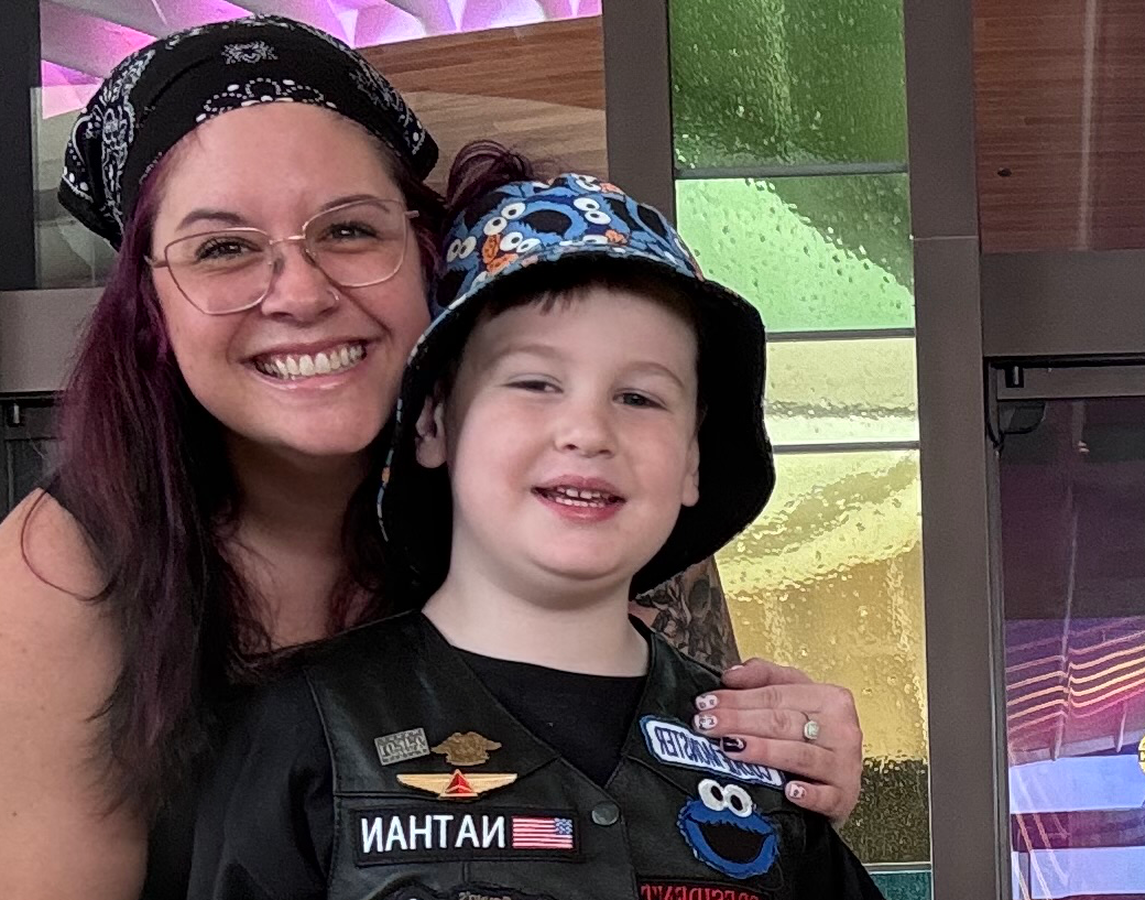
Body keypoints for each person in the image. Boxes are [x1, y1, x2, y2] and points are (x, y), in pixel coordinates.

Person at [0, 16, 864, 900]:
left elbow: (687, 771)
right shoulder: (63, 573)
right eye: (223, 248)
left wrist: (793, 753)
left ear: (423, 252)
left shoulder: (572, 495)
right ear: (149, 304)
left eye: (348, 230)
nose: (300, 293)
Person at [185, 148, 883, 900]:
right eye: (535, 382)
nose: (588, 431)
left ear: (692, 460)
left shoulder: (761, 752)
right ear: (435, 420)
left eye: (640, 398)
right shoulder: (306, 728)